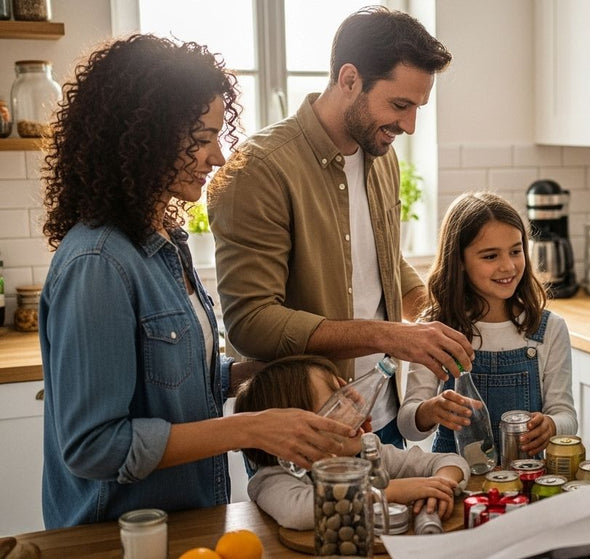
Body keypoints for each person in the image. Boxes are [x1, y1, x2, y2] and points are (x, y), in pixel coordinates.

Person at [38, 35, 354, 529]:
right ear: (143, 138)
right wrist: (251, 428)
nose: (219, 156)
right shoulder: (98, 264)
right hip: (120, 536)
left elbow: (172, 375)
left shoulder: (164, 245)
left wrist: (272, 373)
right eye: (202, 138)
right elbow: (94, 445)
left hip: (185, 522)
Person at [209, 6, 472, 450]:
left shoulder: (382, 156)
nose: (409, 126)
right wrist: (390, 335)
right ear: (349, 79)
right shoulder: (259, 168)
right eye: (400, 105)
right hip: (306, 428)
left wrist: (439, 316)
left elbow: (382, 261)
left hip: (382, 416)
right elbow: (251, 323)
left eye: (417, 108)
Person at [398, 192, 577, 457]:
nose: (508, 266)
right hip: (455, 473)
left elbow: (566, 416)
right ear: (459, 261)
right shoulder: (435, 330)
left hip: (526, 474)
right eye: (490, 256)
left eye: (515, 251)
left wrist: (552, 425)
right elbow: (408, 426)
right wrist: (430, 411)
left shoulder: (550, 328)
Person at [233, 355, 469, 530]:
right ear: (297, 427)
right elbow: (298, 512)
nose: (358, 403)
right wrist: (393, 491)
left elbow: (450, 460)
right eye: (338, 402)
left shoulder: (367, 451)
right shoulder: (273, 478)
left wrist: (438, 486)